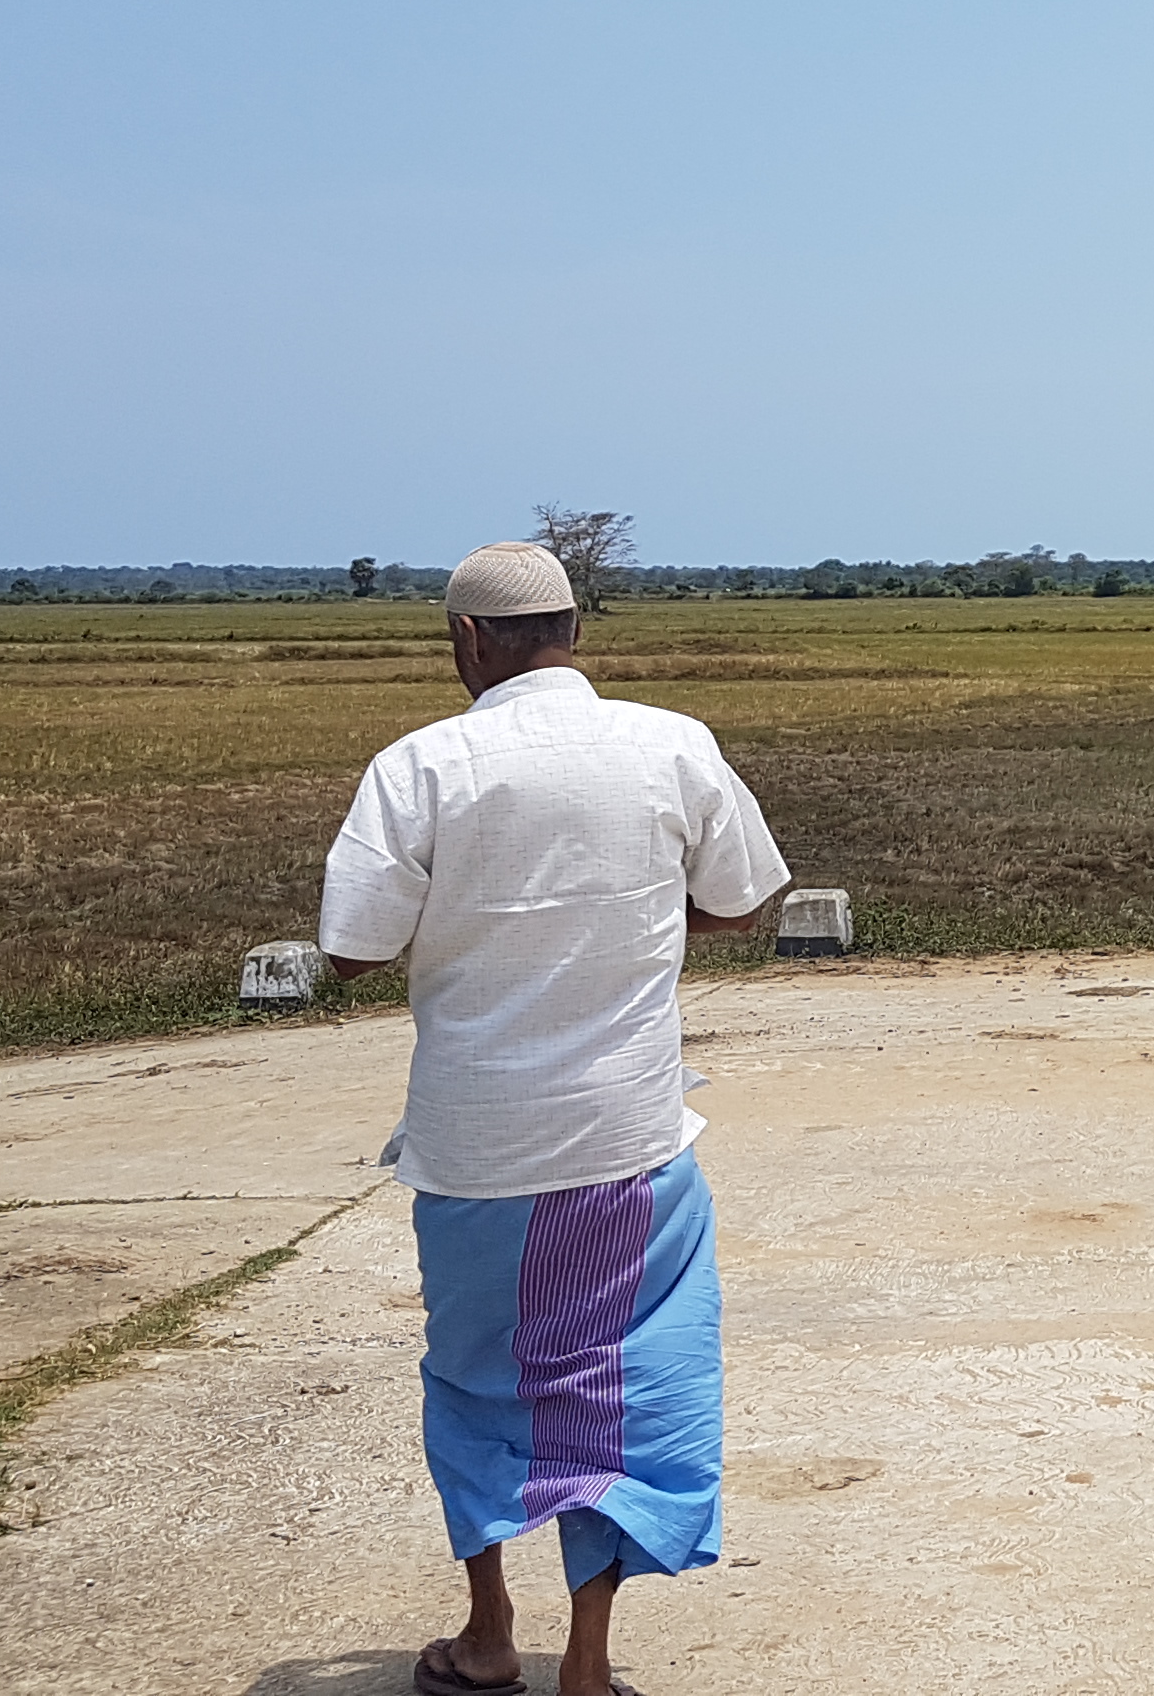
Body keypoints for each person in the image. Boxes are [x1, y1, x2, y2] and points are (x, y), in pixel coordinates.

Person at [316, 541, 791, 1696]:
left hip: (479, 1153)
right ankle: (587, 1662)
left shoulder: (420, 766)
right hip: (630, 1147)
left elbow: (353, 946)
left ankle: (488, 1637)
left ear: (469, 641)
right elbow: (747, 897)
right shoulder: (672, 745)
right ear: (575, 632)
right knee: (628, 1386)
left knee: (478, 1381)